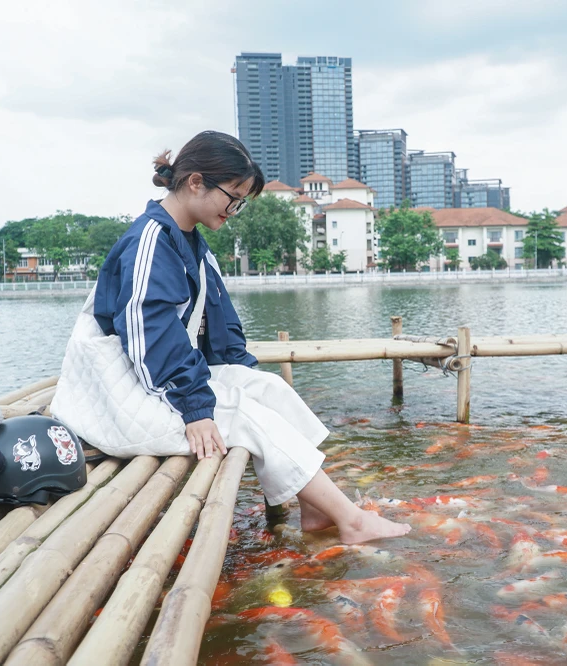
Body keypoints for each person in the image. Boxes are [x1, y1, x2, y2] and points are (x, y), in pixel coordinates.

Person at [88, 131, 409, 544]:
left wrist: (244, 377)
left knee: (269, 389)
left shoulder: (190, 242)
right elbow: (150, 333)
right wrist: (196, 408)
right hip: (125, 393)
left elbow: (222, 327)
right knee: (245, 414)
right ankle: (353, 523)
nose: (235, 210)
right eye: (233, 197)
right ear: (196, 182)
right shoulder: (150, 240)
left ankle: (317, 507)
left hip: (153, 381)